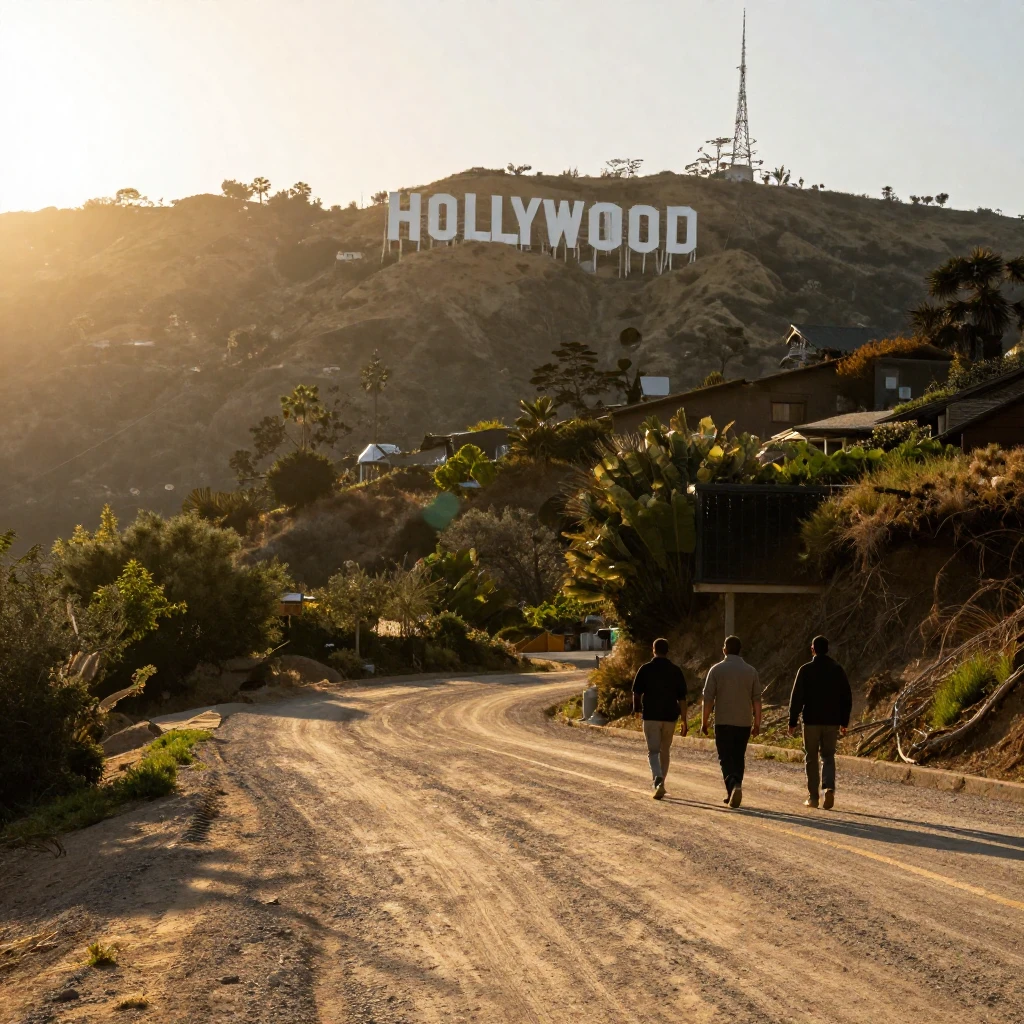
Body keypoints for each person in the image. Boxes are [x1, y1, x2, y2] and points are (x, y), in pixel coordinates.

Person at [788, 635, 852, 810]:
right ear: (828, 649)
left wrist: (792, 721)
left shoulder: (805, 670)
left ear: (812, 649)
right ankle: (828, 788)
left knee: (811, 757)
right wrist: (844, 721)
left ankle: (813, 797)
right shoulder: (837, 669)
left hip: (811, 721)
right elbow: (846, 697)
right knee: (828, 756)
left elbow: (796, 698)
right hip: (832, 721)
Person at [702, 635, 761, 808]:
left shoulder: (716, 670)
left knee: (725, 757)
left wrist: (704, 722)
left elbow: (708, 699)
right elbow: (757, 700)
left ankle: (733, 784)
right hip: (744, 722)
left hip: (723, 721)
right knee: (738, 756)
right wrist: (757, 723)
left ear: (724, 650)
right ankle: (734, 790)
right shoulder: (751, 671)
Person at [631, 637, 688, 800]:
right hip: (670, 717)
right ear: (667, 651)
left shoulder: (645, 669)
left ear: (653, 650)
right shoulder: (676, 670)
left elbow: (636, 692)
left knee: (653, 751)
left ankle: (658, 780)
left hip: (651, 716)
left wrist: (637, 710)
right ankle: (662, 780)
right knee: (665, 751)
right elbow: (682, 698)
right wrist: (684, 720)